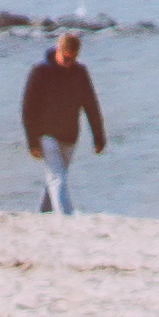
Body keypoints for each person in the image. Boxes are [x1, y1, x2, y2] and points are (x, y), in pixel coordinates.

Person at [19, 26, 107, 212]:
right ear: (58, 51)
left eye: (73, 58)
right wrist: (32, 142)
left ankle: (42, 214)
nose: (69, 62)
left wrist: (98, 137)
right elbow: (28, 109)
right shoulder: (40, 72)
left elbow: (91, 106)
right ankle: (66, 219)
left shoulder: (80, 72)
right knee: (57, 177)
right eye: (67, 58)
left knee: (57, 177)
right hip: (46, 135)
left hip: (69, 135)